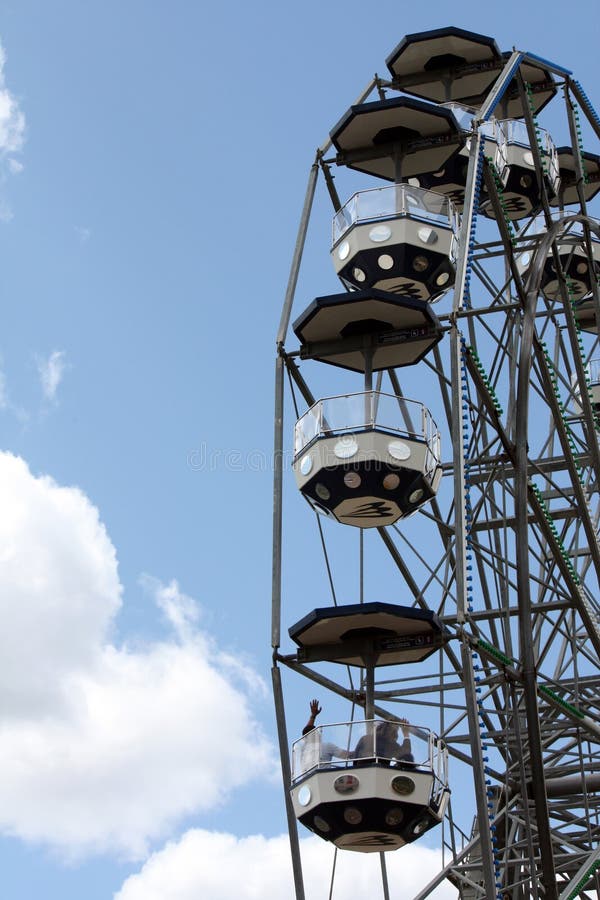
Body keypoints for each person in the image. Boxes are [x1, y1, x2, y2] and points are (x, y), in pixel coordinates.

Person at [299, 699, 350, 772]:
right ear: (315, 734)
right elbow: (346, 755)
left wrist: (313, 716)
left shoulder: (304, 750)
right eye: (316, 731)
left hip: (308, 782)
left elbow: (306, 732)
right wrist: (361, 752)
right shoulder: (326, 746)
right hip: (324, 780)